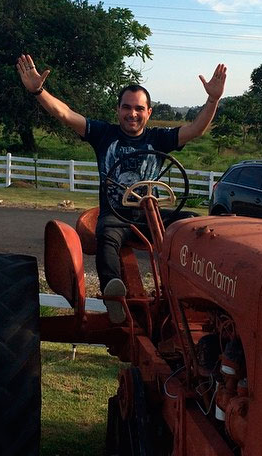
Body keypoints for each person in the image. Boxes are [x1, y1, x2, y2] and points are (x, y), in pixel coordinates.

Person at [17, 53, 227, 322]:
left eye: (139, 108)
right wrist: (38, 91)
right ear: (118, 111)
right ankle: (114, 295)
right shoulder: (104, 134)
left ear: (149, 112)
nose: (133, 113)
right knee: (106, 237)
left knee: (192, 225)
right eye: (127, 107)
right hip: (116, 215)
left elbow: (197, 129)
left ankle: (194, 293)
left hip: (151, 216)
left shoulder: (159, 139)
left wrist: (213, 99)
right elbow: (64, 113)